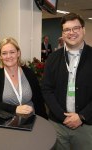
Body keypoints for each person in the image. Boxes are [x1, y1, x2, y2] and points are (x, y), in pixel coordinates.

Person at [42, 12, 92, 150]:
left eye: (76, 28)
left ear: (83, 30)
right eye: (67, 30)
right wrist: (62, 116)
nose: (71, 33)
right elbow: (47, 90)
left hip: (87, 126)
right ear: (62, 34)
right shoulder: (53, 58)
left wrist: (81, 117)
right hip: (57, 125)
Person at [0, 37, 47, 119]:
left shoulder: (29, 73)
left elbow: (38, 100)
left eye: (12, 52)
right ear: (0, 56)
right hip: (7, 122)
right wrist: (15, 109)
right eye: (4, 53)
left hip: (30, 120)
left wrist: (43, 121)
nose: (9, 56)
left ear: (18, 53)